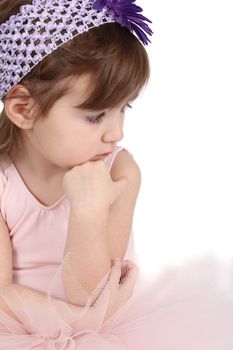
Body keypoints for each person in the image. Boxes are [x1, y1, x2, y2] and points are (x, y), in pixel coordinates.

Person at [0, 1, 233, 349]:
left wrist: (88, 211)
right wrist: (74, 321)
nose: (116, 133)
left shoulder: (120, 171)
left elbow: (93, 295)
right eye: (96, 116)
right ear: (23, 109)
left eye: (123, 108)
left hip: (102, 330)